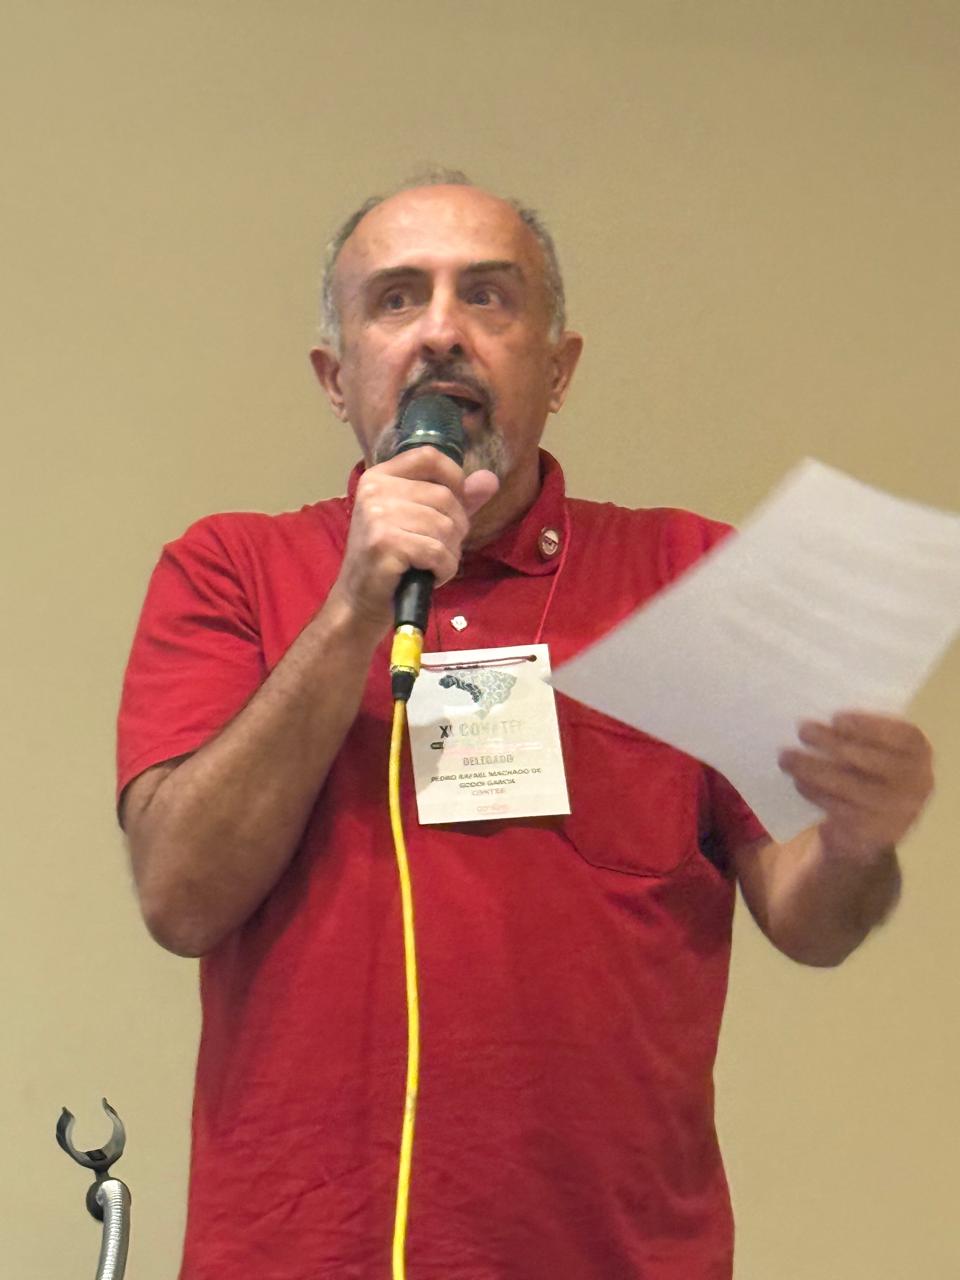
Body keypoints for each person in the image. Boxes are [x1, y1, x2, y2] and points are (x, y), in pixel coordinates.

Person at [117, 173, 934, 1279]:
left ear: (558, 369)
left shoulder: (691, 573)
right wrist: (355, 603)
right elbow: (180, 895)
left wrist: (856, 843)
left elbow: (812, 919)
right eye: (396, 299)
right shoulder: (229, 570)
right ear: (336, 375)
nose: (441, 331)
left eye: (488, 296)